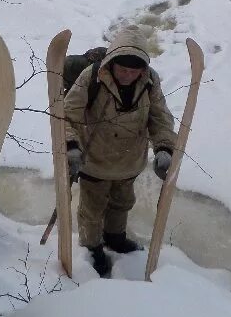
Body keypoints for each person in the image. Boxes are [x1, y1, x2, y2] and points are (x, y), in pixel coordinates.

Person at [63, 27, 177, 278]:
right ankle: (92, 247)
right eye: (122, 69)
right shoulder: (91, 77)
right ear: (111, 63)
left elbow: (160, 118)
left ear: (143, 68)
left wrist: (164, 147)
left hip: (129, 160)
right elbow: (66, 116)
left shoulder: (150, 81)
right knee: (92, 210)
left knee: (122, 203)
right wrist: (70, 147)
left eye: (133, 70)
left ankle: (115, 238)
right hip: (94, 160)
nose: (127, 75)